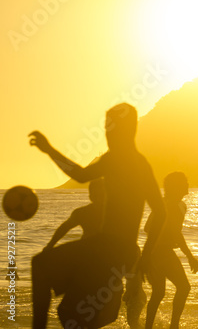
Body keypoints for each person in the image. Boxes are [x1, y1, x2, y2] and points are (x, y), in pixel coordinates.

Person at [29, 103, 166, 328]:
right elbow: (160, 212)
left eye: (112, 128)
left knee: (41, 266)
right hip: (109, 249)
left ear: (128, 130)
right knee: (70, 313)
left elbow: (81, 175)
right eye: (106, 128)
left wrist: (49, 150)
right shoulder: (125, 160)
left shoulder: (127, 161)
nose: (107, 134)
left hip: (111, 250)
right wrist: (143, 257)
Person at [44, 178, 147, 327]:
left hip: (110, 267)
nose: (100, 198)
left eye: (103, 194)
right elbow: (64, 228)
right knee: (75, 308)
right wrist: (49, 246)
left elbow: (130, 242)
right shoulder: (82, 213)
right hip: (87, 266)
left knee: (111, 314)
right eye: (96, 194)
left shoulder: (117, 215)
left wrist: (136, 272)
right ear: (91, 196)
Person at [144, 172, 198, 329]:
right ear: (177, 187)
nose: (188, 185)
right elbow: (175, 233)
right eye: (185, 183)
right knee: (183, 287)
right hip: (162, 253)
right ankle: (173, 326)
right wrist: (190, 256)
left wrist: (166, 236)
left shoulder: (165, 203)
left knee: (158, 293)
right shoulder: (173, 206)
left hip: (156, 252)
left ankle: (150, 326)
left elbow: (147, 228)